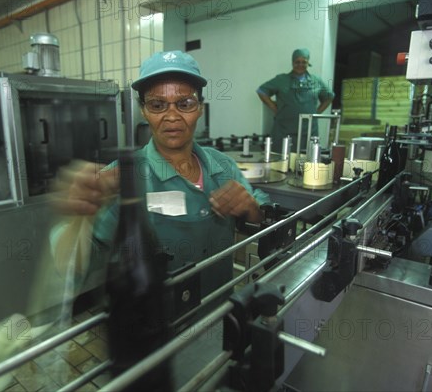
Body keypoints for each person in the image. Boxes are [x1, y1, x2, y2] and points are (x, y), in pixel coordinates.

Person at [52, 50, 270, 316]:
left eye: (185, 103)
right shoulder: (124, 177)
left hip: (220, 312)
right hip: (156, 326)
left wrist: (251, 209)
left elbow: (260, 210)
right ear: (144, 111)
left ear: (200, 108)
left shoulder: (222, 165)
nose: (172, 116)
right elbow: (74, 264)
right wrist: (79, 217)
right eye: (157, 105)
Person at [257, 48, 335, 151]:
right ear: (292, 62)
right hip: (284, 129)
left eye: (304, 62)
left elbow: (329, 96)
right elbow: (261, 91)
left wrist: (316, 113)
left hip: (308, 131)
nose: (300, 65)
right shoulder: (281, 79)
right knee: (281, 161)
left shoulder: (316, 81)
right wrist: (274, 108)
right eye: (297, 62)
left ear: (308, 63)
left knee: (306, 162)